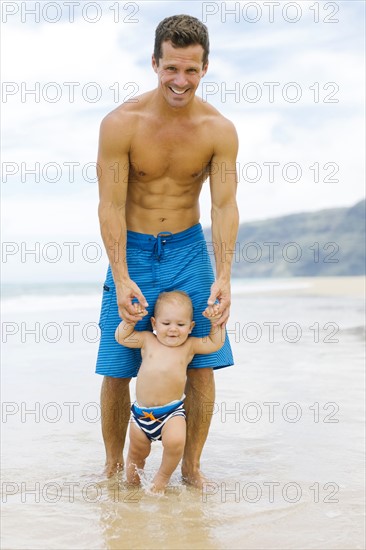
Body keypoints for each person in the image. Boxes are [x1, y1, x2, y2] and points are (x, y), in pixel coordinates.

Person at [96, 14, 239, 487]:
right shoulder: (121, 123)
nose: (181, 81)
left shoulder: (218, 130)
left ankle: (191, 468)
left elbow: (223, 205)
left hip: (188, 250)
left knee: (201, 364)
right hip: (133, 248)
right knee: (118, 367)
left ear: (205, 67)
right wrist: (120, 275)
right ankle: (117, 467)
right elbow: (110, 205)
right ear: (154, 63)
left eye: (191, 70)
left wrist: (224, 276)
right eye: (172, 68)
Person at [115, 290, 224, 493]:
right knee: (136, 453)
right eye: (166, 324)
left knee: (176, 443)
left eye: (180, 325)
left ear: (190, 327)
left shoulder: (189, 346)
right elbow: (122, 337)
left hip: (171, 413)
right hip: (141, 415)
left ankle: (161, 479)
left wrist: (216, 323)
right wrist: (130, 322)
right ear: (154, 324)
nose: (173, 330)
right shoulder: (147, 340)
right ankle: (131, 486)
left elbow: (214, 343)